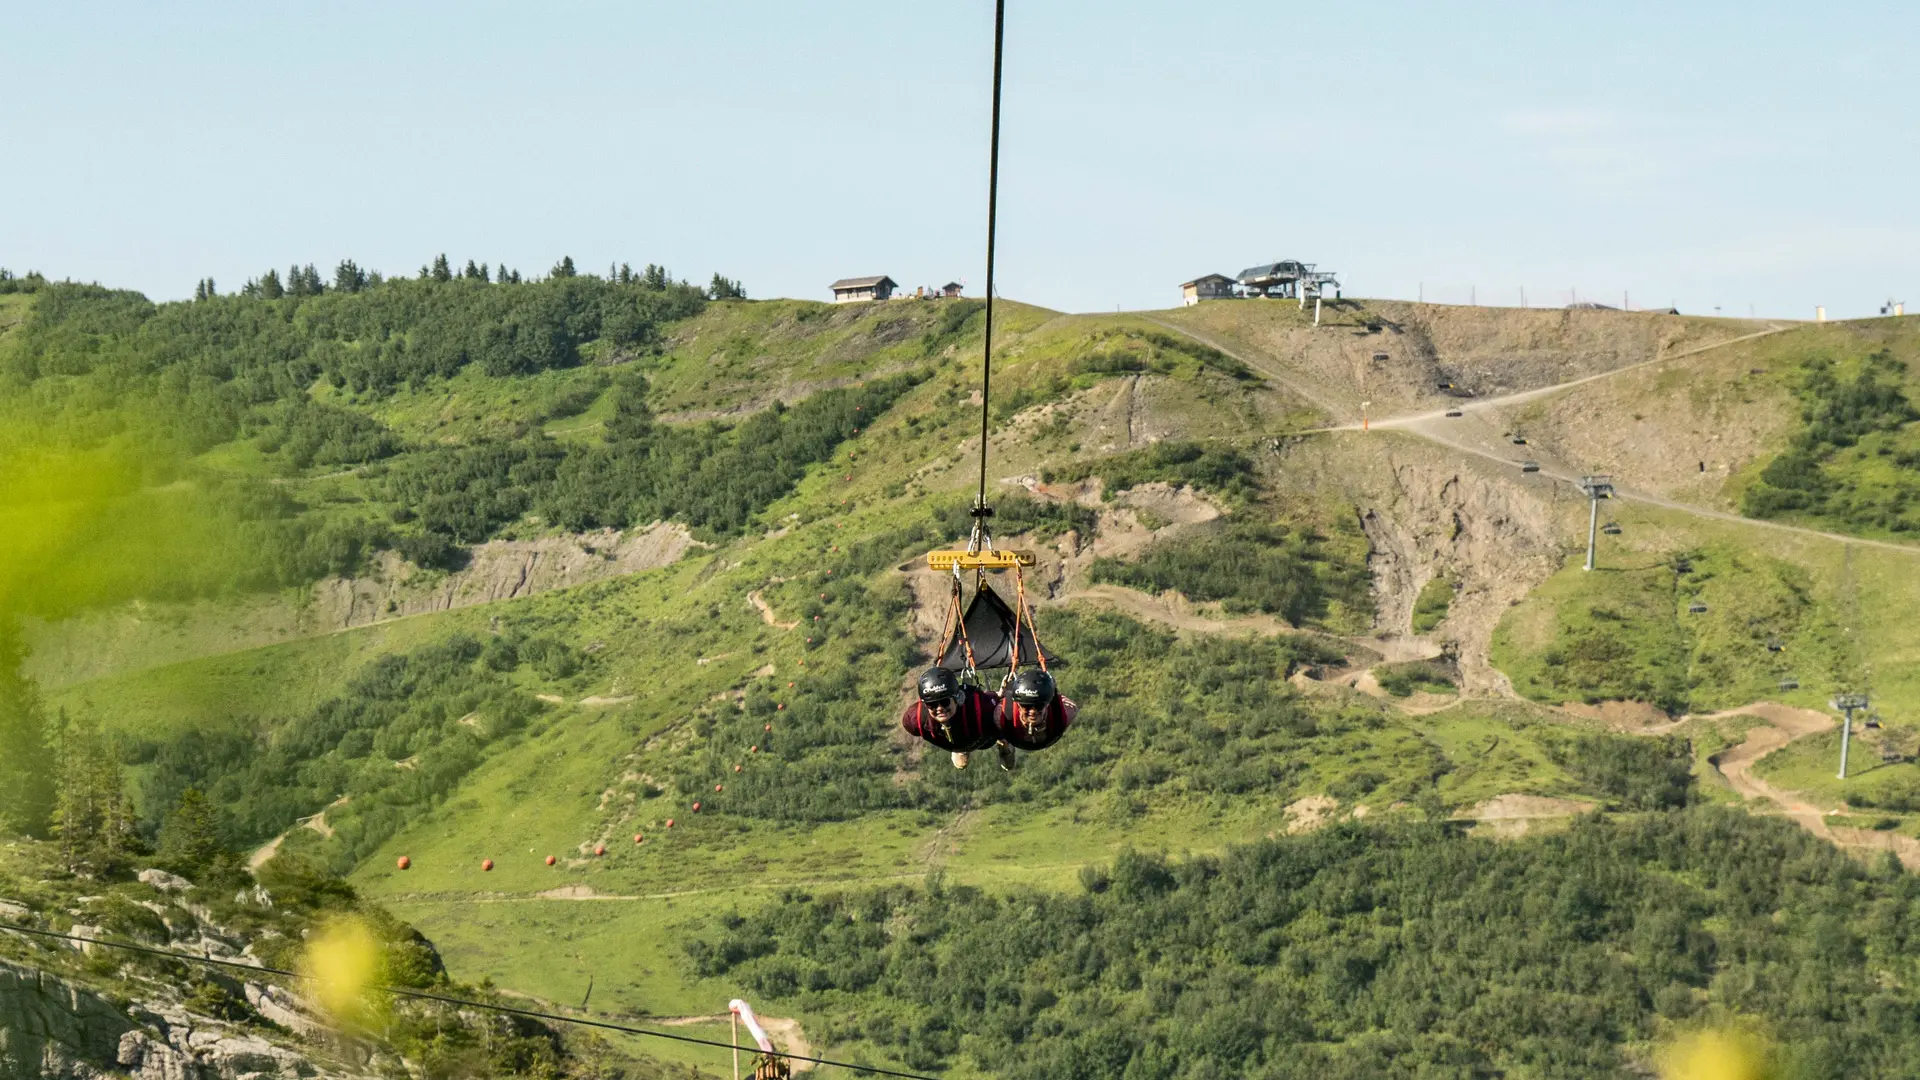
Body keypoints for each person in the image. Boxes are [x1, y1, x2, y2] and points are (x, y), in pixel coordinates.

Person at [900, 666, 1001, 769]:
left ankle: (1003, 744)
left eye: (945, 702)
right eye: (932, 705)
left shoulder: (983, 710)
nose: (939, 709)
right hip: (960, 741)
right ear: (926, 706)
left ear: (958, 699)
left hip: (985, 736)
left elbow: (998, 706)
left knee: (997, 727)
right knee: (960, 764)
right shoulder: (915, 720)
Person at [993, 667, 1076, 771]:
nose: (1032, 712)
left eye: (1039, 706)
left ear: (1047, 704)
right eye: (1026, 706)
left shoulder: (1066, 712)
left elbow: (1065, 703)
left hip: (1028, 735)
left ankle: (1005, 747)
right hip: (1013, 732)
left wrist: (1051, 689)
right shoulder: (1001, 715)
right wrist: (999, 695)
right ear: (1018, 705)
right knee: (994, 734)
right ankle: (1004, 747)